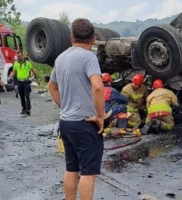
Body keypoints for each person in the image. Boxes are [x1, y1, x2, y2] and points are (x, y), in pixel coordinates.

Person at [47, 18, 107, 200]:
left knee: (71, 168)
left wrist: (64, 106)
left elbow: (52, 86)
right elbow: (97, 86)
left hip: (66, 123)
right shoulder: (88, 57)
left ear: (71, 37)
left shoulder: (61, 58)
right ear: (93, 39)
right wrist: (100, 116)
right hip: (84, 123)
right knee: (88, 173)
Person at [8, 51, 38, 116]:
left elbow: (33, 71)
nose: (19, 57)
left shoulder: (27, 63)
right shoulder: (15, 64)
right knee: (21, 96)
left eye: (20, 56)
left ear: (23, 56)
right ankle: (24, 109)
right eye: (18, 56)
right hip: (19, 82)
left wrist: (36, 78)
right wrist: (10, 78)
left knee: (26, 95)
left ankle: (28, 109)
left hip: (26, 82)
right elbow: (13, 72)